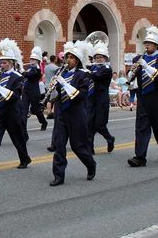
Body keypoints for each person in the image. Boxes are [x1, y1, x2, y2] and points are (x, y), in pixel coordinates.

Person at [49, 40, 96, 186]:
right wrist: (52, 90)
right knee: (59, 145)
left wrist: (63, 83)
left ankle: (90, 164)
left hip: (76, 114)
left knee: (77, 146)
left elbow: (81, 96)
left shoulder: (84, 74)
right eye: (67, 57)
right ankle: (58, 175)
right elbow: (57, 95)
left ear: (78, 60)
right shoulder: (60, 73)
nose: (68, 60)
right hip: (61, 113)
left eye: (71, 58)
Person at [128, 26, 158, 167]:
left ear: (156, 45)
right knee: (141, 128)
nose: (147, 45)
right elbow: (131, 77)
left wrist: (146, 66)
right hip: (143, 97)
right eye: (145, 43)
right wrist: (131, 72)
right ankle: (140, 157)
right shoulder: (138, 58)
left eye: (150, 43)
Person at [0, 38, 31, 173]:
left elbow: (14, 96)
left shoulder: (18, 77)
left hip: (12, 112)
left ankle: (24, 158)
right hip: (0, 111)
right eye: (1, 63)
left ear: (11, 63)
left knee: (17, 139)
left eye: (4, 63)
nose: (2, 65)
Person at [86, 41, 116, 154]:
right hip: (91, 98)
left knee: (99, 124)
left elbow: (96, 76)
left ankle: (110, 138)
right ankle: (90, 148)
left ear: (105, 58)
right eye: (96, 57)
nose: (98, 59)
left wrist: (87, 70)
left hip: (101, 99)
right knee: (89, 123)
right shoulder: (93, 67)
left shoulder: (107, 68)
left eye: (100, 57)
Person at [22, 46, 48, 132]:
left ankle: (43, 122)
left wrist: (22, 71)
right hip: (26, 91)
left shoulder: (37, 70)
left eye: (33, 59)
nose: (31, 61)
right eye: (31, 59)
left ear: (37, 60)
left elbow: (30, 75)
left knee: (36, 110)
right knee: (24, 110)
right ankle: (23, 129)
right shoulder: (30, 68)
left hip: (34, 92)